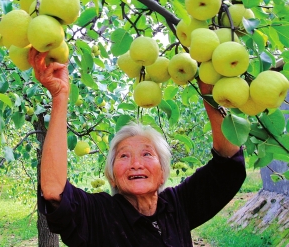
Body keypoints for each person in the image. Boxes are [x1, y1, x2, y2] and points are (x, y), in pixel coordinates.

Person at [29, 48, 246, 247]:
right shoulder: (98, 216)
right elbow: (54, 190)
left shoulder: (177, 206)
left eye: (147, 154)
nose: (136, 164)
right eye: (123, 156)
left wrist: (208, 91)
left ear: (163, 173)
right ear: (112, 177)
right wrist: (60, 97)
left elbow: (228, 165)